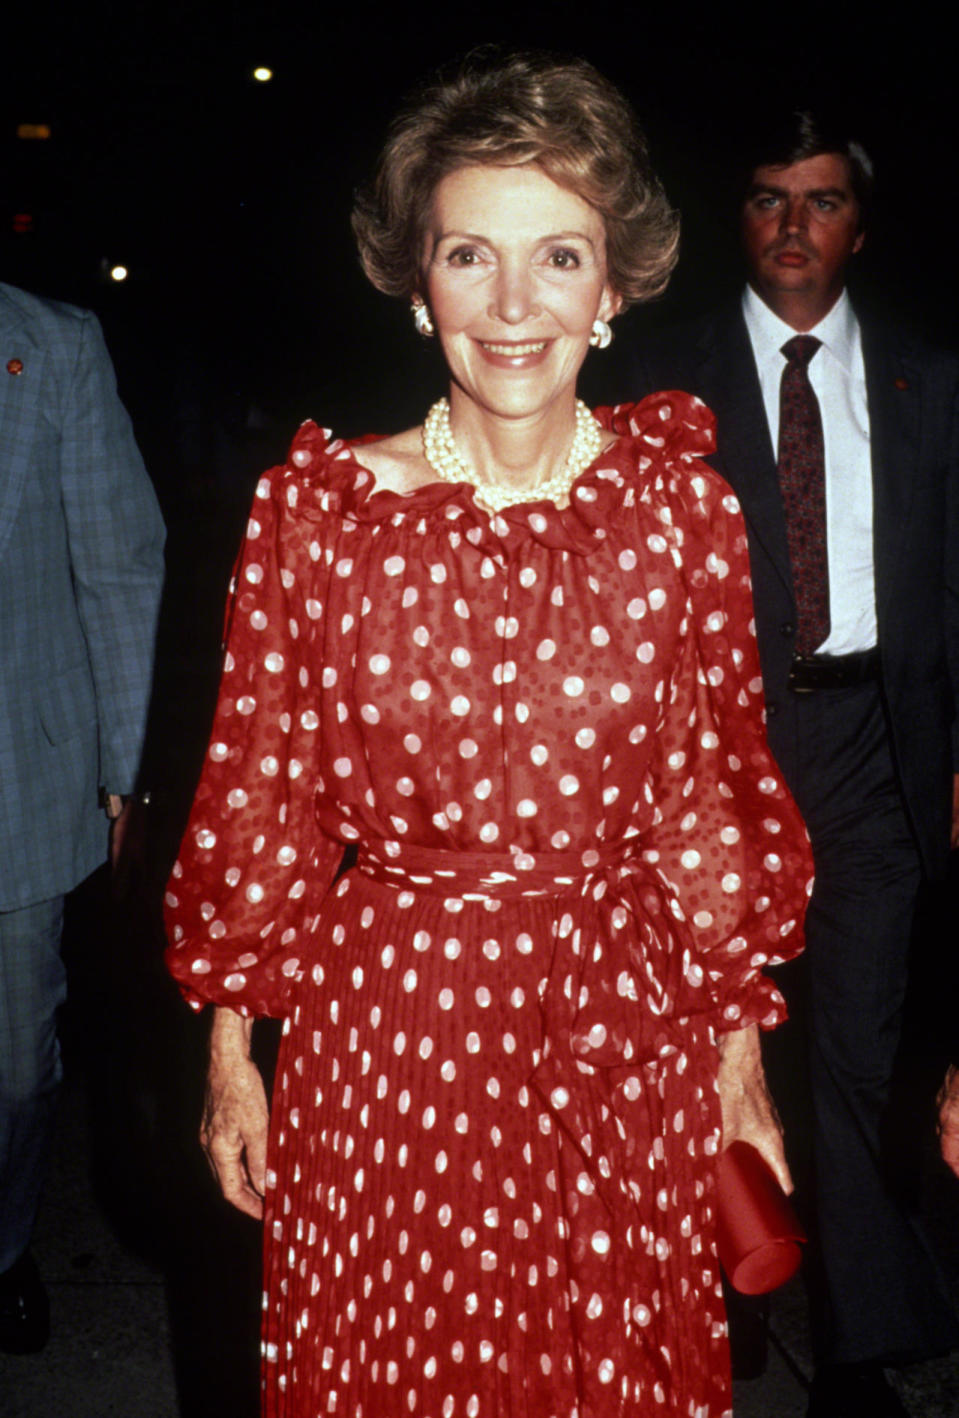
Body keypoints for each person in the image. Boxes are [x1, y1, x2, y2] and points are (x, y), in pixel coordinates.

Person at [164, 54, 812, 1417]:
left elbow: (708, 806)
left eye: (557, 256)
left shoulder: (680, 516)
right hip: (391, 1039)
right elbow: (259, 797)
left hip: (617, 1036)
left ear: (613, 286)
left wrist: (736, 1071)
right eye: (470, 255)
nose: (513, 306)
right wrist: (232, 1059)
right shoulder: (318, 517)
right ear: (415, 283)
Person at [626, 112, 959, 1416]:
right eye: (766, 198)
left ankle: (859, 1344)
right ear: (739, 218)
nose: (789, 225)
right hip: (712, 760)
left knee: (856, 1057)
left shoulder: (928, 383)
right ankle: (720, 1285)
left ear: (855, 227)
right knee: (701, 1050)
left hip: (873, 746)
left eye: (817, 202)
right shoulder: (665, 381)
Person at [0, 281, 165, 1352]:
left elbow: (117, 567)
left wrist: (125, 770)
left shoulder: (50, 346)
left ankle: (3, 1246)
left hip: (17, 778)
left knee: (13, 1064)